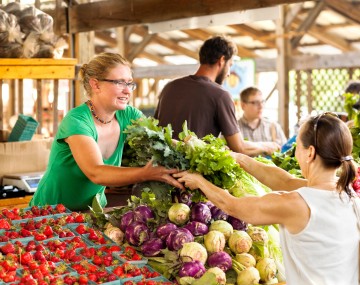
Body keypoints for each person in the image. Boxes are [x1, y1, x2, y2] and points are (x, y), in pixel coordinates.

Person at [174, 113, 358, 285]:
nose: (296, 153)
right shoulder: (349, 196)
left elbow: (233, 206)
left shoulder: (297, 204)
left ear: (310, 153)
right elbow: (285, 180)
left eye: (298, 146)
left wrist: (199, 182)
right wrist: (238, 158)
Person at [30, 52, 184, 211]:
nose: (127, 91)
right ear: (95, 85)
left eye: (130, 83)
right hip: (49, 213)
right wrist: (146, 173)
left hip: (92, 212)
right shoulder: (77, 121)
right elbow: (96, 172)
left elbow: (161, 141)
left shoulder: (128, 115)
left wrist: (190, 147)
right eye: (120, 83)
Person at [154, 35, 280, 157]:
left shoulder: (169, 87)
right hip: (193, 176)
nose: (229, 74)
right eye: (230, 65)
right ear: (222, 60)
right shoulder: (221, 95)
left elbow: (155, 131)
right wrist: (267, 146)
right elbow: (240, 147)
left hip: (160, 170)